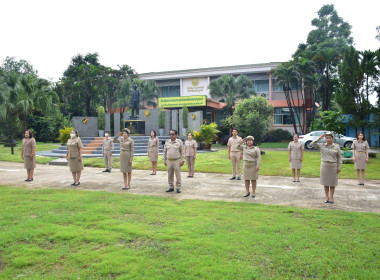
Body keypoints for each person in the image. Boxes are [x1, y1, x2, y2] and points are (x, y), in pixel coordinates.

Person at [311, 132, 342, 204]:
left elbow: (339, 157)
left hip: (333, 166)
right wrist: (319, 138)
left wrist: (339, 166)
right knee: (326, 183)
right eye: (327, 138)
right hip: (325, 166)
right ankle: (327, 197)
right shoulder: (322, 145)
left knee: (332, 183)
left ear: (332, 138)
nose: (328, 139)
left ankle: (331, 197)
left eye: (330, 138)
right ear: (325, 139)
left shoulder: (336, 146)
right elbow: (312, 144)